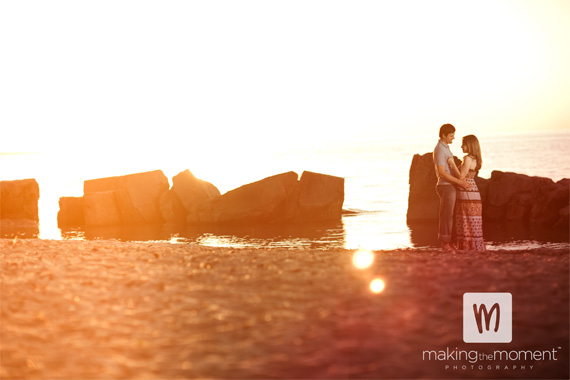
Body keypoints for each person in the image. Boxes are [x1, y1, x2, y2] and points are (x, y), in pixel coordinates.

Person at [448, 134, 486, 252]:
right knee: (473, 220)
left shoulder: (467, 158)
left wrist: (452, 163)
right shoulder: (476, 159)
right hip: (474, 190)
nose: (461, 146)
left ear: (469, 144)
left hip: (466, 191)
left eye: (463, 144)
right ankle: (476, 247)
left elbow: (461, 176)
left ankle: (466, 247)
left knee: (465, 219)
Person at [433, 124, 467, 253]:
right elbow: (442, 173)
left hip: (450, 185)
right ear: (443, 135)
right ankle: (445, 243)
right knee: (447, 215)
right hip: (446, 186)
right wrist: (459, 182)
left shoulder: (446, 148)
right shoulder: (440, 150)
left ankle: (450, 242)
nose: (453, 137)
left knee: (451, 215)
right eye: (451, 135)